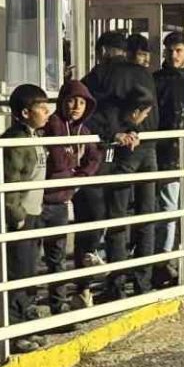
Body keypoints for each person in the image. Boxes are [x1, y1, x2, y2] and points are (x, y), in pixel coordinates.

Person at [77, 32, 154, 269]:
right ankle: (144, 275)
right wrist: (135, 127)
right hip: (147, 145)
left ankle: (116, 274)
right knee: (147, 215)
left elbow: (89, 113)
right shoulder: (143, 74)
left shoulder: (98, 76)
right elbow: (150, 110)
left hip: (118, 149)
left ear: (102, 51)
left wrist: (116, 132)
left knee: (115, 212)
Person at [1, 83, 54, 353]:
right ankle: (14, 331)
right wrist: (16, 215)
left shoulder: (35, 136)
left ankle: (26, 324)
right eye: (41, 108)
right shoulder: (16, 141)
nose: (47, 112)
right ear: (24, 112)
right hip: (20, 217)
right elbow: (9, 181)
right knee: (17, 274)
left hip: (33, 213)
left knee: (29, 272)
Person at [42, 79, 99, 313]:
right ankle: (25, 307)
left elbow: (94, 157)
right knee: (31, 258)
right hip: (41, 200)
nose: (76, 107)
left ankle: (58, 305)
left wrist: (80, 176)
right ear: (62, 101)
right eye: (72, 101)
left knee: (56, 257)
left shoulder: (83, 131)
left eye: (82, 103)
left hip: (61, 200)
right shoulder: (52, 125)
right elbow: (57, 162)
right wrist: (71, 169)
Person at [96, 87, 158, 300]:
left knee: (117, 219)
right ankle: (143, 283)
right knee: (146, 219)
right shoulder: (124, 115)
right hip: (146, 151)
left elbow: (95, 124)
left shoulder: (108, 107)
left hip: (126, 155)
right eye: (145, 114)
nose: (146, 117)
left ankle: (117, 286)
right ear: (136, 112)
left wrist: (117, 134)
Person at [152, 32, 184, 256]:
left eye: (178, 50)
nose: (173, 55)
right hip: (166, 151)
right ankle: (167, 254)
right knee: (170, 205)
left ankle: (181, 251)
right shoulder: (157, 80)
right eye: (170, 50)